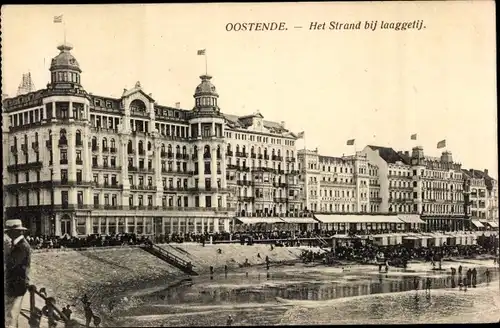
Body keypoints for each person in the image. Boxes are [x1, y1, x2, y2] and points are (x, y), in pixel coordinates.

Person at [4, 219, 31, 328]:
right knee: (12, 316)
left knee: (11, 316)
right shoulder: (19, 245)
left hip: (16, 285)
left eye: (9, 232)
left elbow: (11, 264)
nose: (8, 235)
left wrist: (6, 251)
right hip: (16, 284)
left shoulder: (21, 247)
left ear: (17, 232)